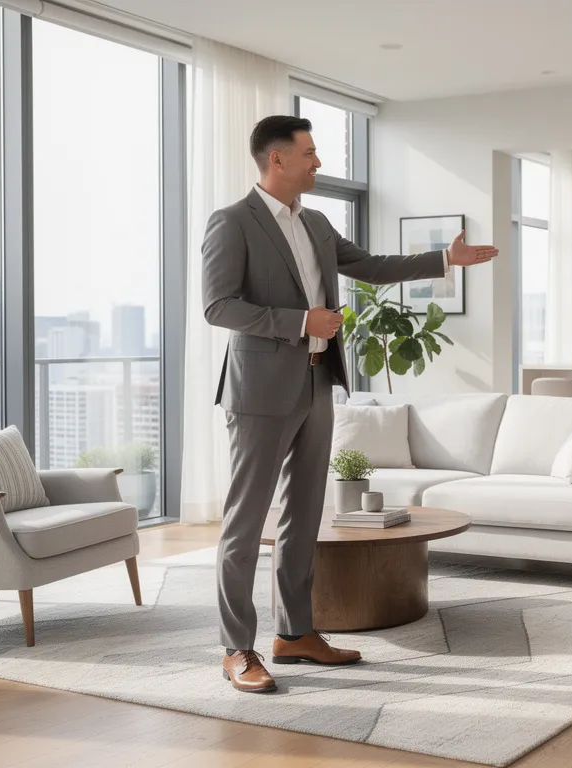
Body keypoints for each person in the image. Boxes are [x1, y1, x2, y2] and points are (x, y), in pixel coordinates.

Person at [202, 115, 497, 693]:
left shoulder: (314, 222)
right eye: (309, 152)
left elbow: (368, 267)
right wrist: (299, 322)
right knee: (244, 523)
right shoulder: (233, 222)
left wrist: (443, 261)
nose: (318, 162)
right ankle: (237, 648)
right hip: (259, 392)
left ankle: (294, 633)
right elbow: (218, 307)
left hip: (317, 382)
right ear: (277, 160)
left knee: (304, 516)